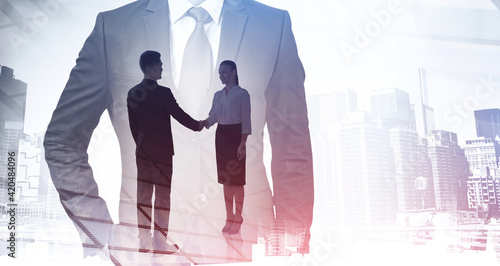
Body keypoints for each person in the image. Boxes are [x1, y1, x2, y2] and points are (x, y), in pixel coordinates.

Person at [43, 0, 314, 261]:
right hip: (142, 251)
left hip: (247, 242)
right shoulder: (112, 27)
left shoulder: (273, 24)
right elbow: (62, 140)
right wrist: (99, 231)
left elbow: (293, 139)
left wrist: (291, 237)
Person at [127, 50, 202, 253]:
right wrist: (199, 125)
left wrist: (142, 143)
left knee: (143, 196)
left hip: (143, 151)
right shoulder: (164, 93)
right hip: (162, 153)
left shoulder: (133, 93)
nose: (161, 68)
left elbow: (133, 127)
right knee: (162, 197)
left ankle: (144, 242)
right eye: (159, 65)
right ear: (152, 67)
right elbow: (179, 115)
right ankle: (160, 244)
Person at [202, 60, 250, 235]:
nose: (221, 76)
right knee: (226, 181)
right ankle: (229, 217)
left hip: (236, 137)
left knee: (237, 181)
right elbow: (213, 117)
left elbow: (246, 121)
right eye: (219, 73)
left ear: (233, 72)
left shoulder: (243, 94)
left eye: (224, 72)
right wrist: (201, 123)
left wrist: (243, 143)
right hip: (221, 137)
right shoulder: (217, 95)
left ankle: (238, 217)